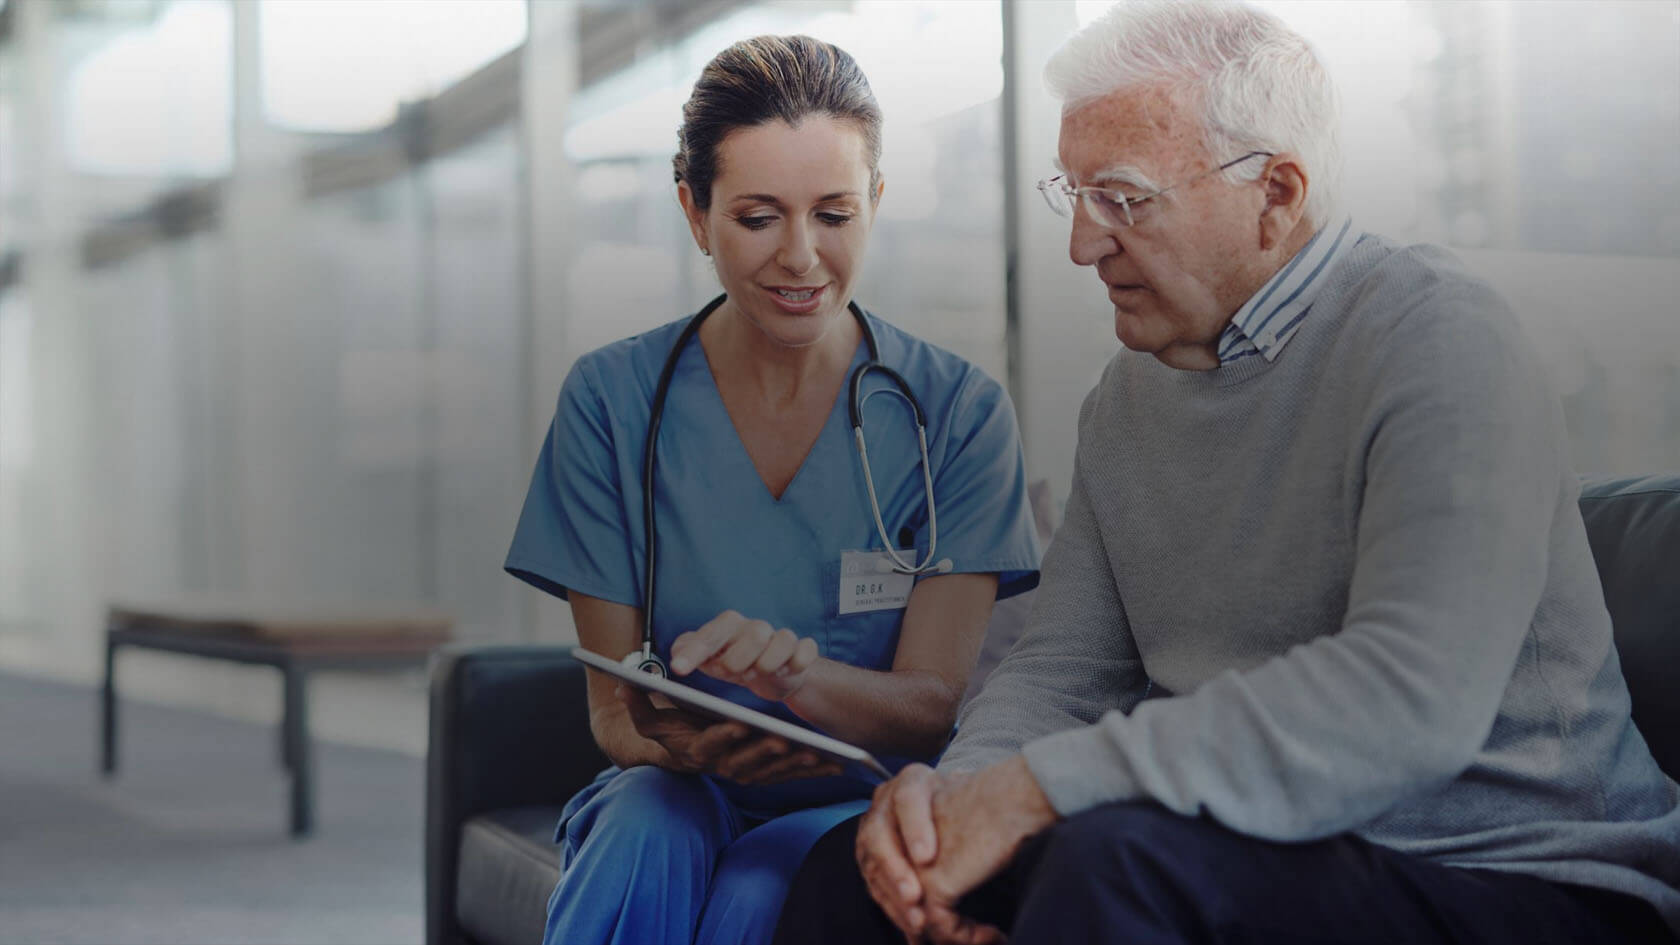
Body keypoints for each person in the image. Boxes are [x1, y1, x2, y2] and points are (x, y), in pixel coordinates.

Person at [773, 3, 1680, 943]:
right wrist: (953, 811)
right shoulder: (1124, 401)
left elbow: (1411, 694)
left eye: (1123, 198)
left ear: (1276, 194)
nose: (1083, 244)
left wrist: (1038, 791)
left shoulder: (1441, 339)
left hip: (1522, 873)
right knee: (856, 874)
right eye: (1073, 194)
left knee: (1116, 863)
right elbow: (1063, 673)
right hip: (1258, 852)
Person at [503, 34, 1041, 945]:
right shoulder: (611, 402)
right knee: (644, 822)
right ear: (693, 211)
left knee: (762, 885)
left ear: (875, 202)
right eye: (757, 218)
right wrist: (671, 740)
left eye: (834, 213)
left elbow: (931, 706)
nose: (801, 256)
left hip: (857, 797)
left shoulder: (956, 414)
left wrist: (799, 680)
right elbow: (611, 710)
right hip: (674, 783)